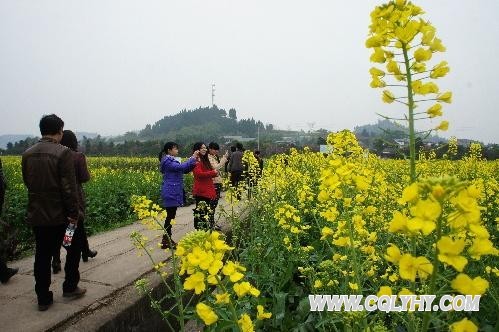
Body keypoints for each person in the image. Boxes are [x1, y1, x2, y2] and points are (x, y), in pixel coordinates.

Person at [22, 114, 86, 311]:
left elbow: (27, 182)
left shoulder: (27, 153)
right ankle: (69, 287)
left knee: (42, 255)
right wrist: (74, 215)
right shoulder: (63, 153)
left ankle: (43, 297)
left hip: (39, 218)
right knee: (73, 248)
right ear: (59, 131)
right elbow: (69, 189)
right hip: (63, 219)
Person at [51, 130, 97, 274]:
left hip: (56, 197)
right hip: (73, 196)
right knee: (73, 226)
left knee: (60, 228)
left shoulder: (54, 154)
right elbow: (84, 177)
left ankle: (57, 259)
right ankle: (82, 252)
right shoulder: (77, 156)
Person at [159, 142, 199, 249]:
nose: (177, 151)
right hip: (170, 191)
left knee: (171, 216)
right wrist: (193, 157)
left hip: (172, 190)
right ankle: (166, 239)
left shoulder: (171, 161)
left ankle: (166, 239)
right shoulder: (168, 161)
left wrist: (194, 163)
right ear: (169, 150)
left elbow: (184, 169)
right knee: (170, 216)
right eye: (175, 149)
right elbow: (181, 167)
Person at [0, 157, 18, 284]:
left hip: (41, 210)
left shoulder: (29, 154)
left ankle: (56, 259)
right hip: (70, 210)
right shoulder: (70, 155)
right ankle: (70, 285)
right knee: (72, 236)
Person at [192, 142, 218, 230]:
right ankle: (200, 231)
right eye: (202, 148)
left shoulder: (204, 159)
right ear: (197, 149)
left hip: (207, 189)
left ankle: (204, 230)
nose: (205, 149)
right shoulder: (196, 160)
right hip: (201, 190)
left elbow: (210, 172)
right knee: (200, 213)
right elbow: (198, 174)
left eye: (205, 148)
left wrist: (214, 173)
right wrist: (213, 173)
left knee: (204, 212)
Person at [207, 142, 229, 228]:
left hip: (217, 182)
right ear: (210, 149)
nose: (216, 151)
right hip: (213, 183)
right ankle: (211, 223)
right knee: (212, 204)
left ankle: (212, 222)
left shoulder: (213, 157)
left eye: (217, 150)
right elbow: (216, 167)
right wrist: (224, 158)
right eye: (215, 149)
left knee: (214, 204)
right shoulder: (209, 158)